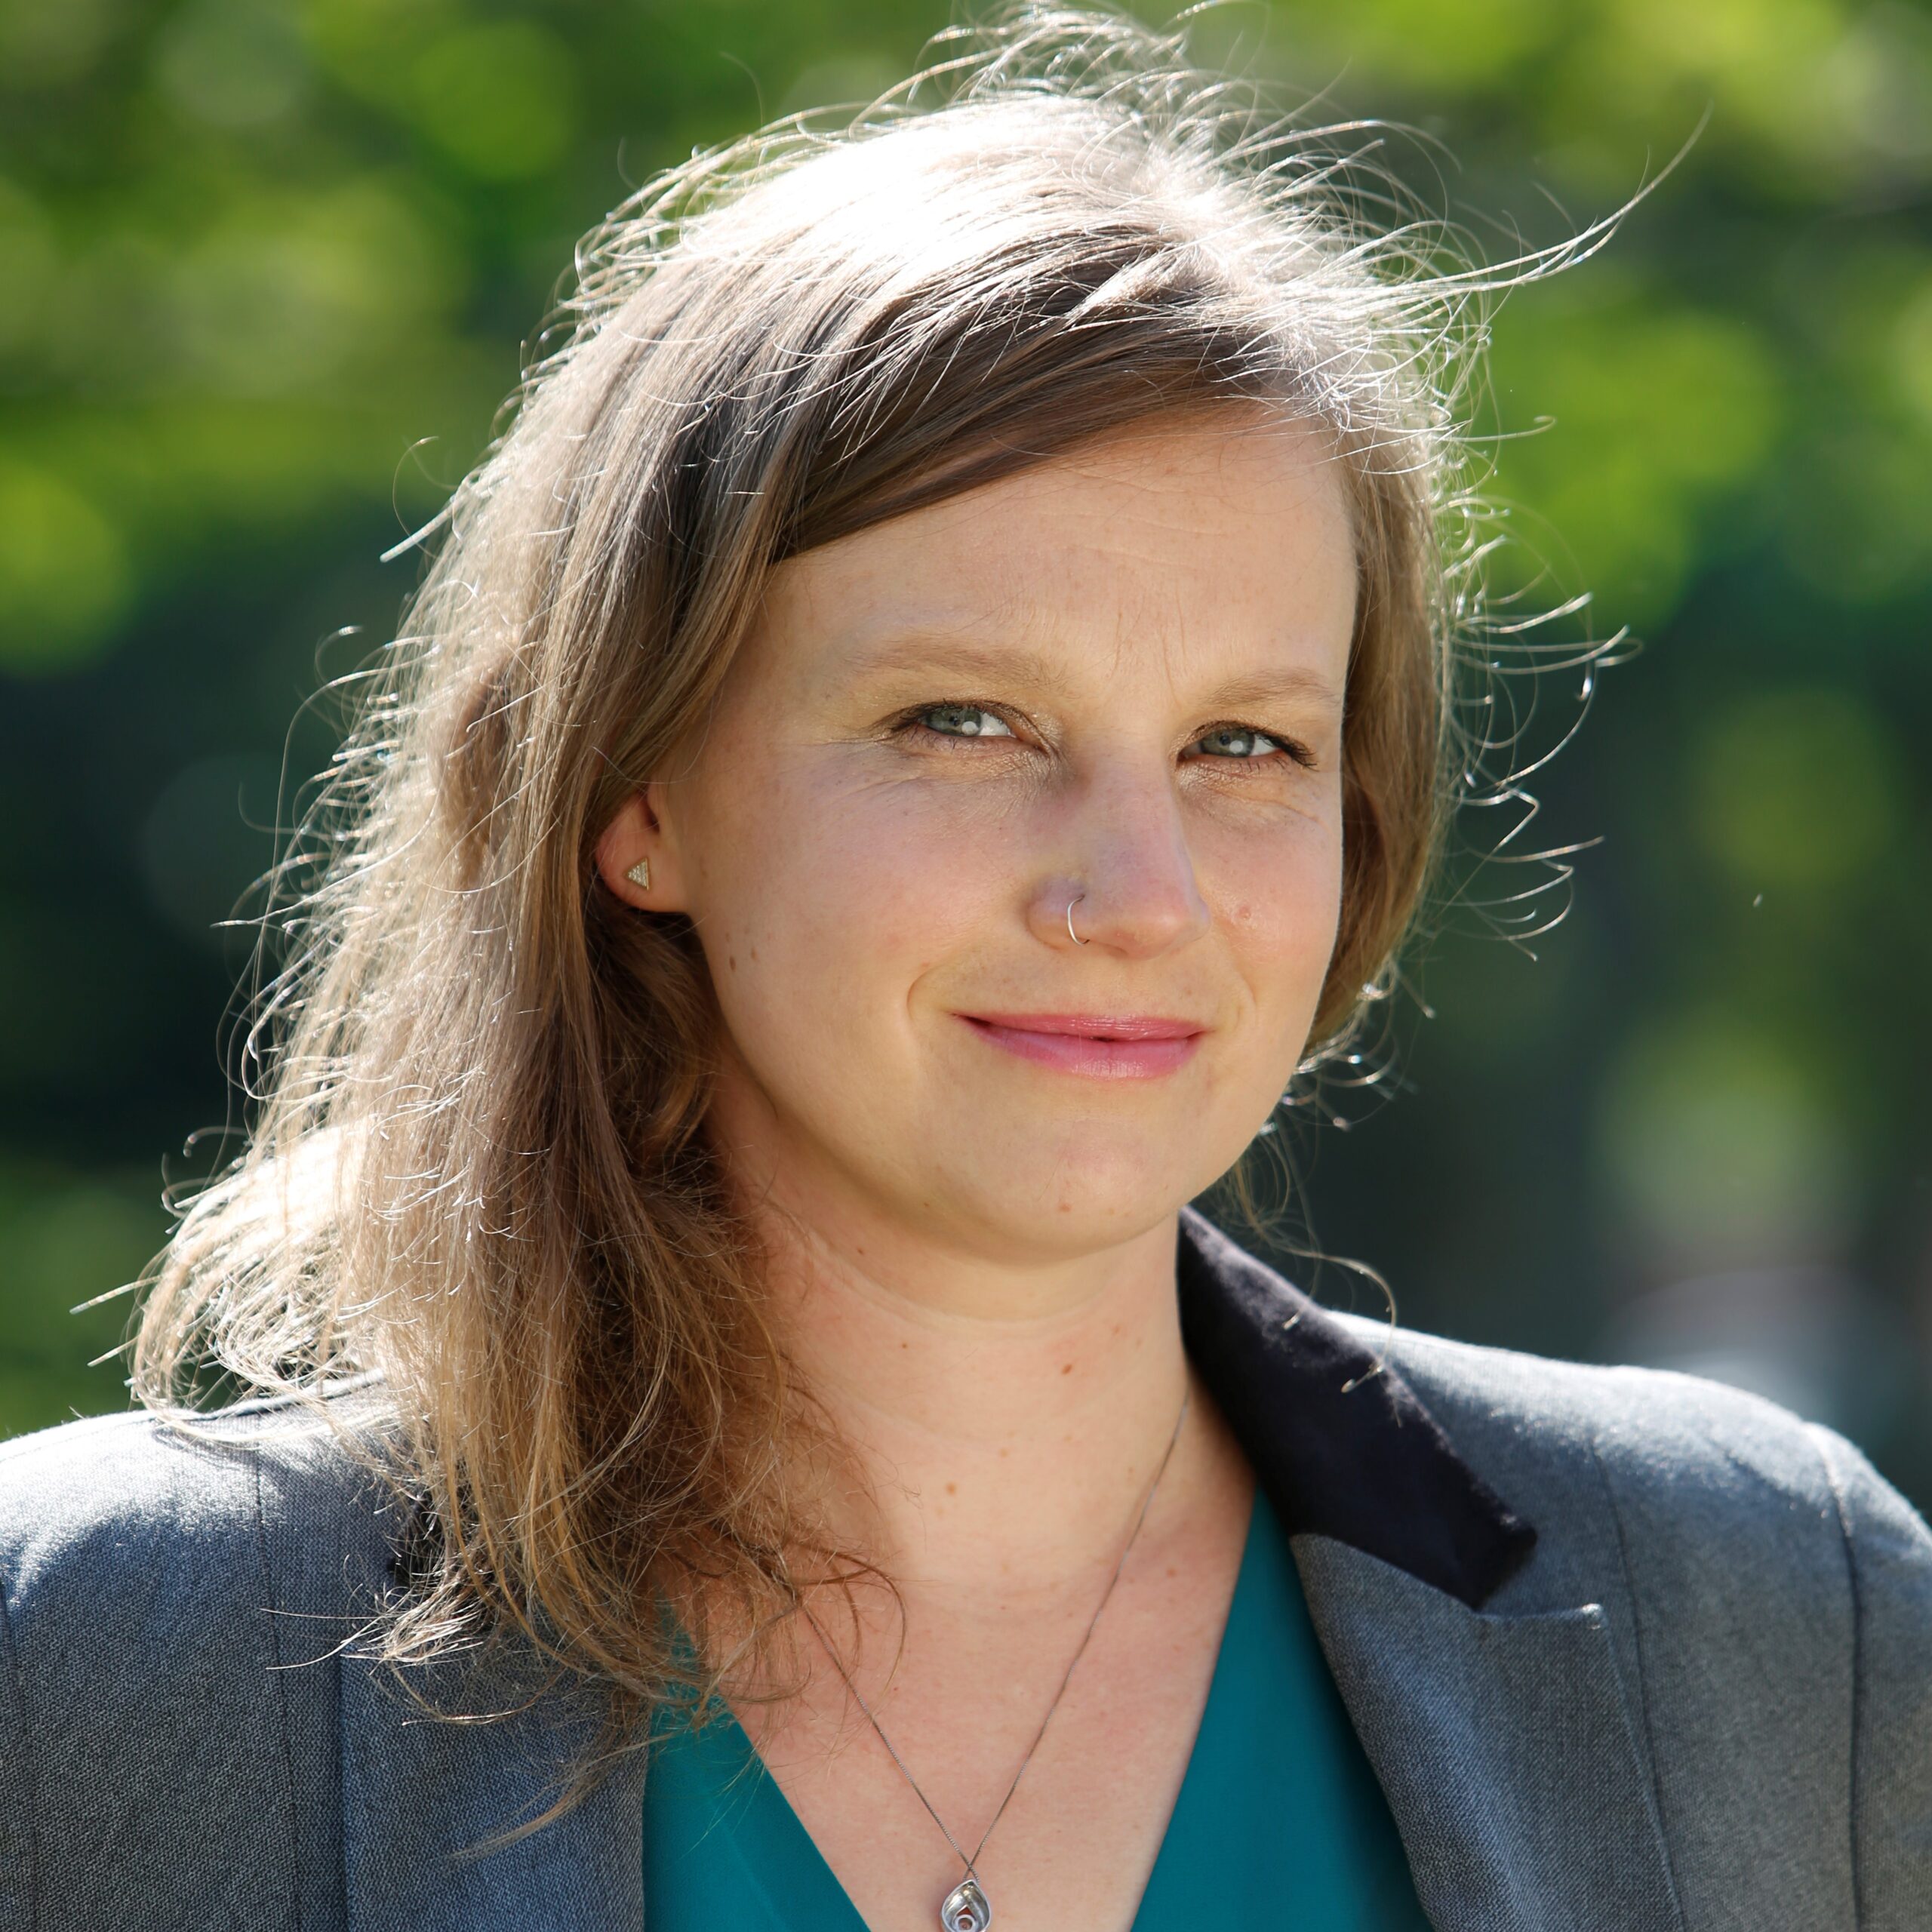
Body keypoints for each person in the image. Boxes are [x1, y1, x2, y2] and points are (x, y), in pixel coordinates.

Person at [2, 10, 1925, 1930]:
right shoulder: (88, 1659)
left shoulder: (1778, 1625)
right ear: (628, 791)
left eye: (1244, 744)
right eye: (963, 721)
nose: (1134, 891)